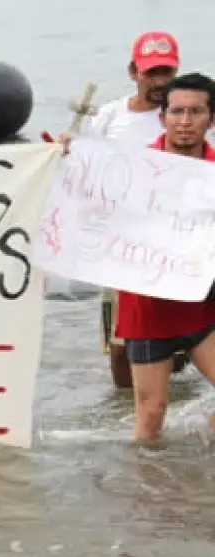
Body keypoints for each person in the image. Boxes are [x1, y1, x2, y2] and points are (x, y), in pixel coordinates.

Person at [72, 31, 183, 388]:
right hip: (120, 243)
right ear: (133, 72)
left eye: (166, 72)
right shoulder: (110, 116)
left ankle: (170, 404)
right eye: (151, 73)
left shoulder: (183, 116)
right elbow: (86, 167)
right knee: (120, 342)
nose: (159, 81)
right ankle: (125, 404)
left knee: (179, 340)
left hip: (172, 241)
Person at [113, 72, 215, 443]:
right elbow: (85, 197)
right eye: (176, 112)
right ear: (162, 117)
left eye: (195, 112)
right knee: (151, 412)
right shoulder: (133, 167)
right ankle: (145, 479)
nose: (185, 121)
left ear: (211, 119)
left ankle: (196, 471)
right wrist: (63, 156)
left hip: (204, 304)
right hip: (148, 306)